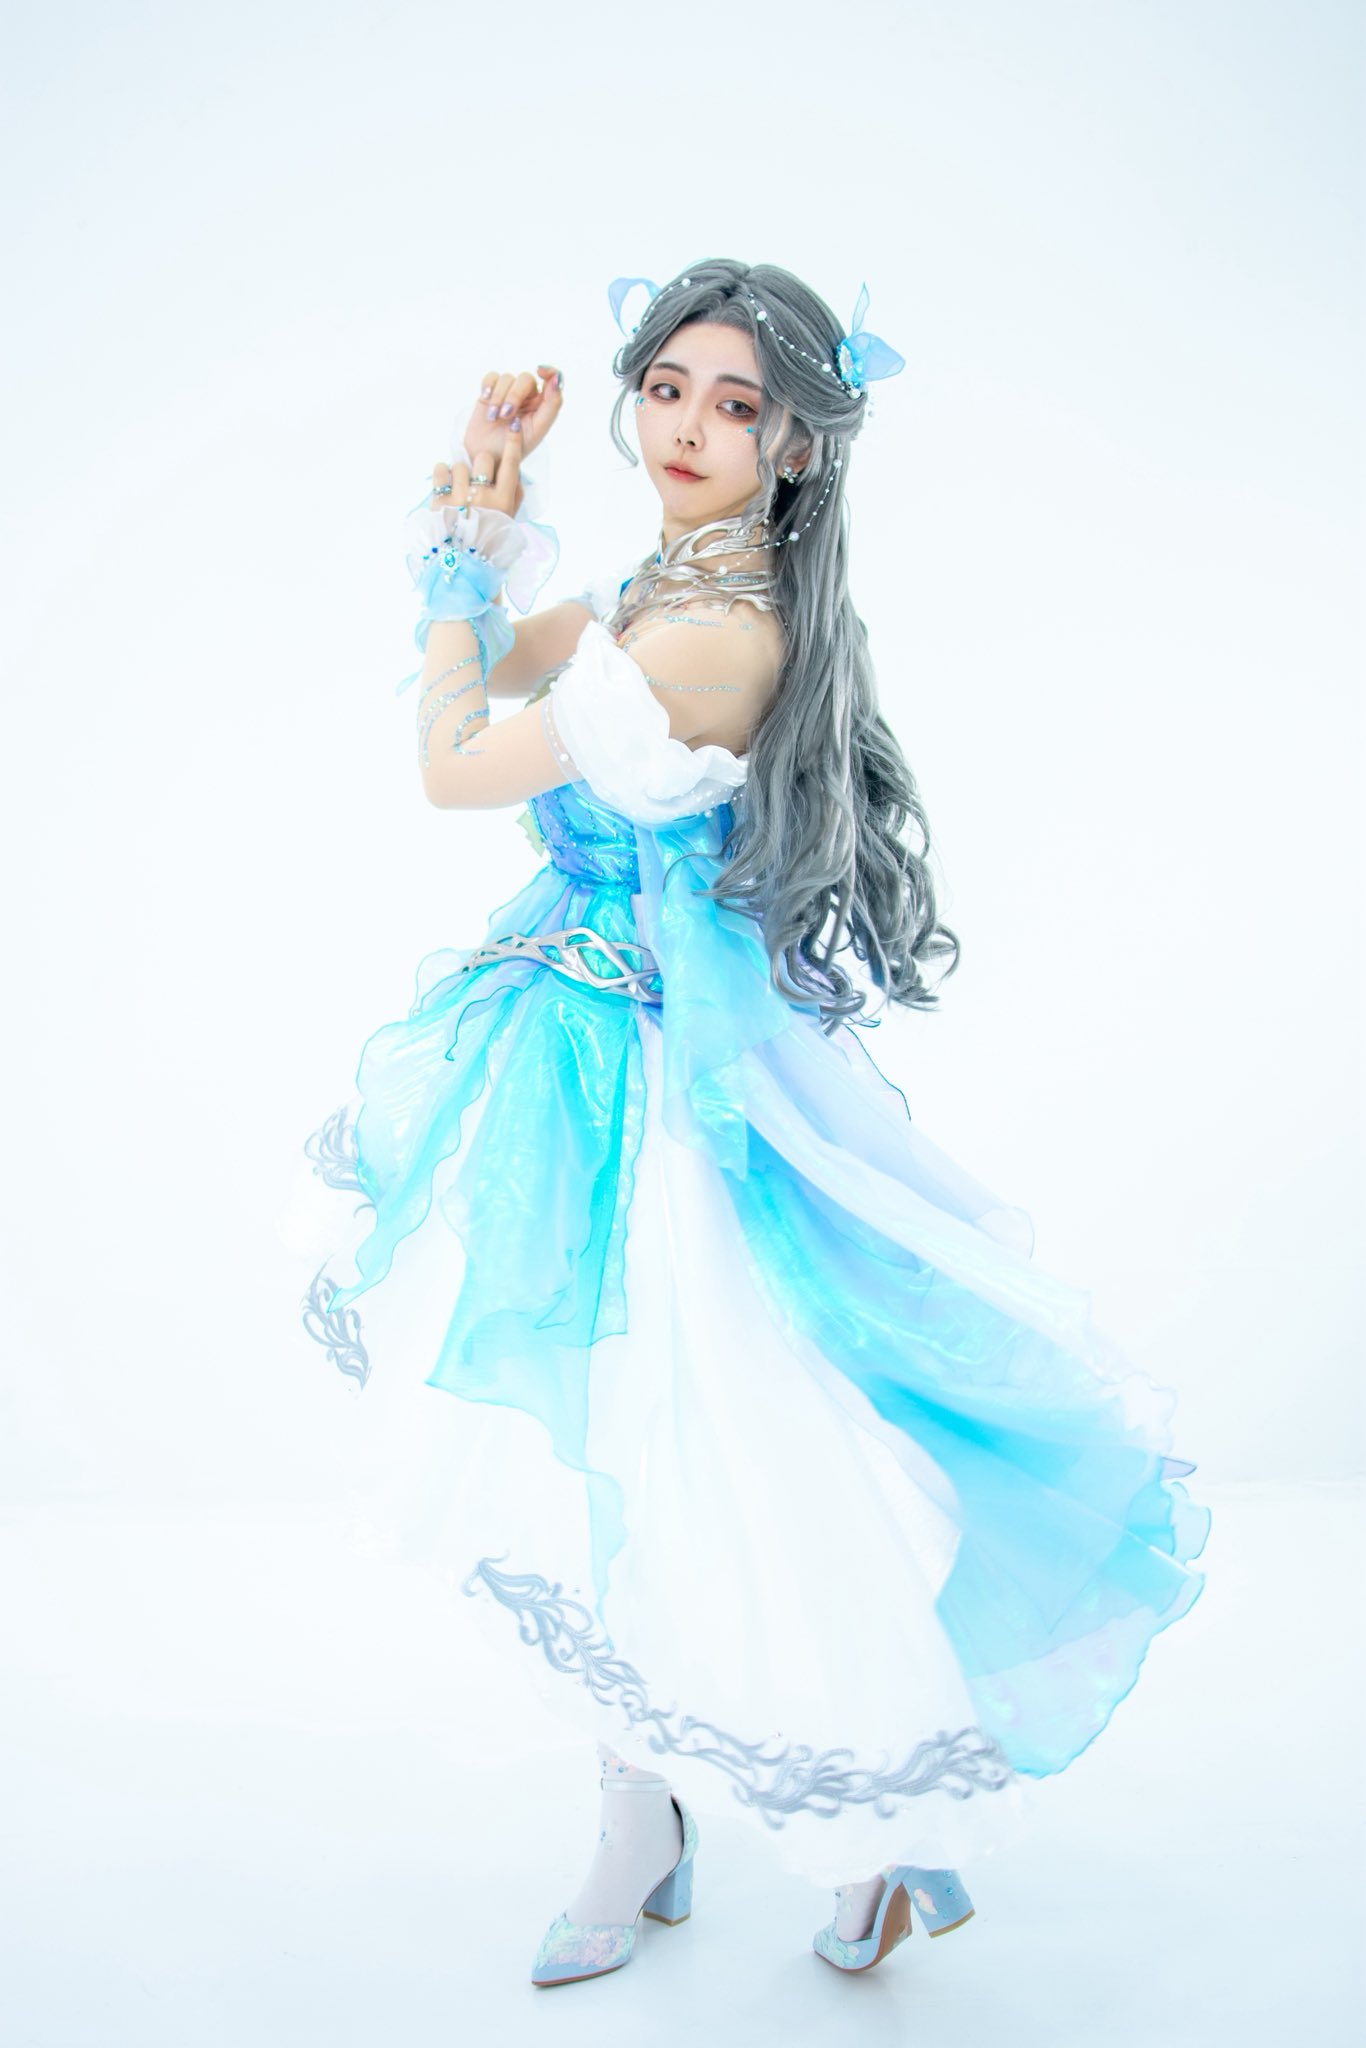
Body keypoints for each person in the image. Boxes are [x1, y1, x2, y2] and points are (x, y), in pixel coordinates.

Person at [293, 258, 1211, 1986]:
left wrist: (454, 581)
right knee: (608, 1454)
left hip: (651, 1104)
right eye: (667, 389)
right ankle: (640, 1824)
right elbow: (516, 653)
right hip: (580, 1061)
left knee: (722, 1459)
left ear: (795, 444)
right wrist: (484, 503)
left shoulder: (713, 637)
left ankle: (874, 1820)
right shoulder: (672, 580)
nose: (689, 427)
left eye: (735, 405)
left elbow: (452, 756)